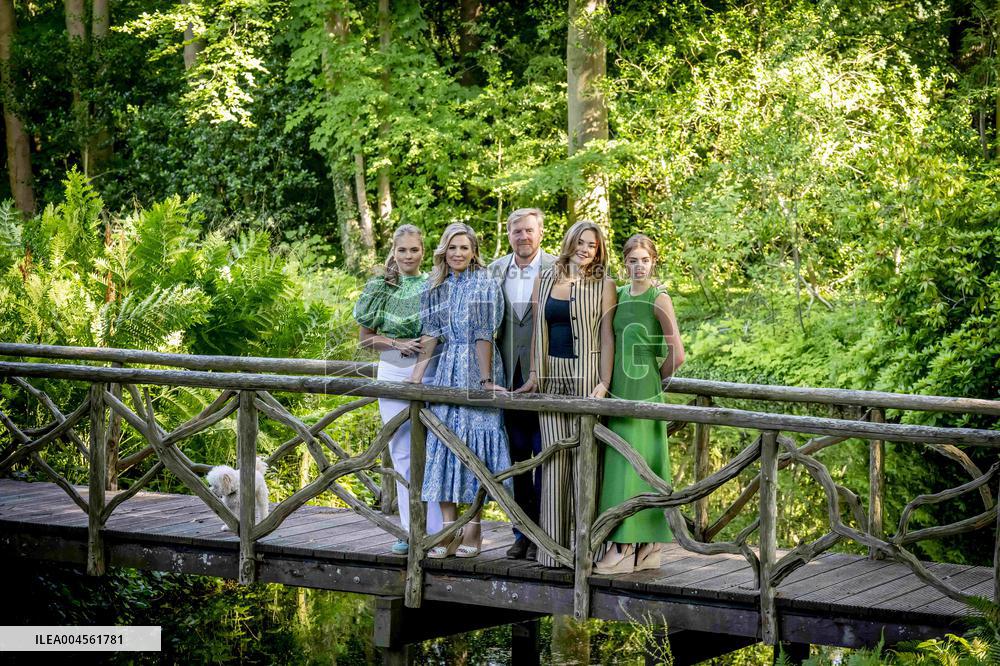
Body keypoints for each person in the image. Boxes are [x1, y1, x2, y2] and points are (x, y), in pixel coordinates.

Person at [409, 222, 512, 558]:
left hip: (475, 366)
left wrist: (484, 381)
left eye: (464, 248)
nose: (457, 254)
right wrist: (418, 374)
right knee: (445, 448)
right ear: (444, 251)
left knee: (473, 452)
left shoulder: (484, 282)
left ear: (473, 252)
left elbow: (485, 334)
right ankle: (448, 533)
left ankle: (474, 532)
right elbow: (431, 333)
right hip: (446, 371)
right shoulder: (435, 284)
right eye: (452, 248)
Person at [519, 220, 616, 567]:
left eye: (592, 245)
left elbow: (608, 337)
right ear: (569, 242)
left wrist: (604, 383)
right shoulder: (544, 278)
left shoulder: (604, 284)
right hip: (550, 378)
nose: (586, 249)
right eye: (581, 241)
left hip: (587, 379)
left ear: (598, 250)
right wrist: (533, 374)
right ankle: (552, 552)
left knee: (586, 462)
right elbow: (536, 333)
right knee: (555, 461)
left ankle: (587, 550)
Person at [594, 234, 685, 575]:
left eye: (644, 260)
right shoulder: (616, 295)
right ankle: (643, 548)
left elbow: (677, 355)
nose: (638, 266)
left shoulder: (658, 298)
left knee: (642, 469)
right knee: (620, 466)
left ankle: (628, 547)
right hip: (617, 387)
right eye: (632, 260)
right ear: (625, 262)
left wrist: (651, 377)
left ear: (653, 262)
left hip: (643, 388)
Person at [353, 224, 444, 555]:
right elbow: (365, 339)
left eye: (414, 250)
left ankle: (439, 533)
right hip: (392, 368)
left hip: (432, 370)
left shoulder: (435, 283)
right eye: (402, 250)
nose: (408, 256)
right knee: (403, 452)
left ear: (423, 251)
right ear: (393, 251)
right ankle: (411, 531)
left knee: (435, 452)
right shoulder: (380, 286)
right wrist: (396, 342)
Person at [487, 208, 556, 560]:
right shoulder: (495, 270)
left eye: (529, 230)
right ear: (510, 234)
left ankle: (546, 533)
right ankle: (521, 533)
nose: (523, 237)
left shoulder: (559, 269)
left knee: (545, 456)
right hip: (508, 379)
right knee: (514, 459)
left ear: (540, 233)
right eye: (517, 232)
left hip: (547, 378)